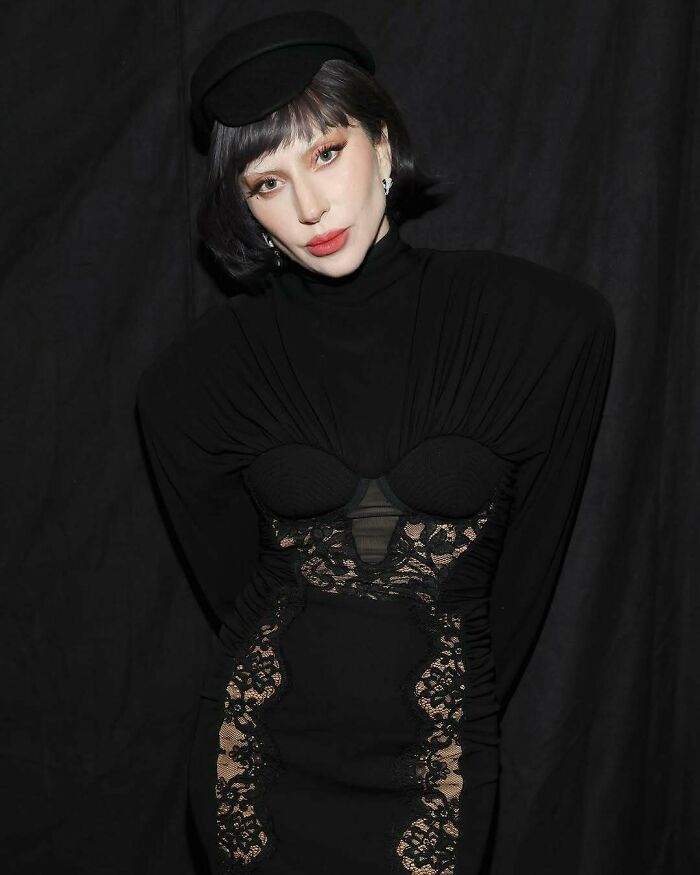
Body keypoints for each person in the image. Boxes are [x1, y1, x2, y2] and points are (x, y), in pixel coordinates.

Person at [135, 11, 616, 875]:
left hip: (436, 761)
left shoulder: (537, 327)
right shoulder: (197, 379)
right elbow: (230, 583)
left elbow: (529, 570)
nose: (311, 206)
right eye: (266, 182)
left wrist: (459, 708)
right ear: (245, 208)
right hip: (259, 758)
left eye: (326, 154)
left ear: (384, 144)